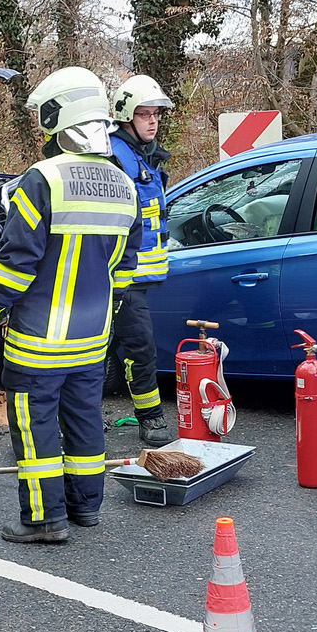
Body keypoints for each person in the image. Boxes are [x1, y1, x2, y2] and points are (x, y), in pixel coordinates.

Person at [0, 68, 142, 544]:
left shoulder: (42, 179)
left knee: (35, 427)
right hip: (92, 338)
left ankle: (44, 519)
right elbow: (124, 270)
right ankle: (86, 507)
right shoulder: (125, 185)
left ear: (58, 119)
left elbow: (17, 263)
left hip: (38, 339)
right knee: (85, 420)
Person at [107, 74, 174, 447]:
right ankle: (150, 418)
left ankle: (62, 420)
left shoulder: (143, 156)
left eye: (156, 114)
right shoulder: (115, 158)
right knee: (139, 347)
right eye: (144, 114)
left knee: (126, 348)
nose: (153, 121)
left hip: (135, 277)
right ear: (126, 117)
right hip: (119, 276)